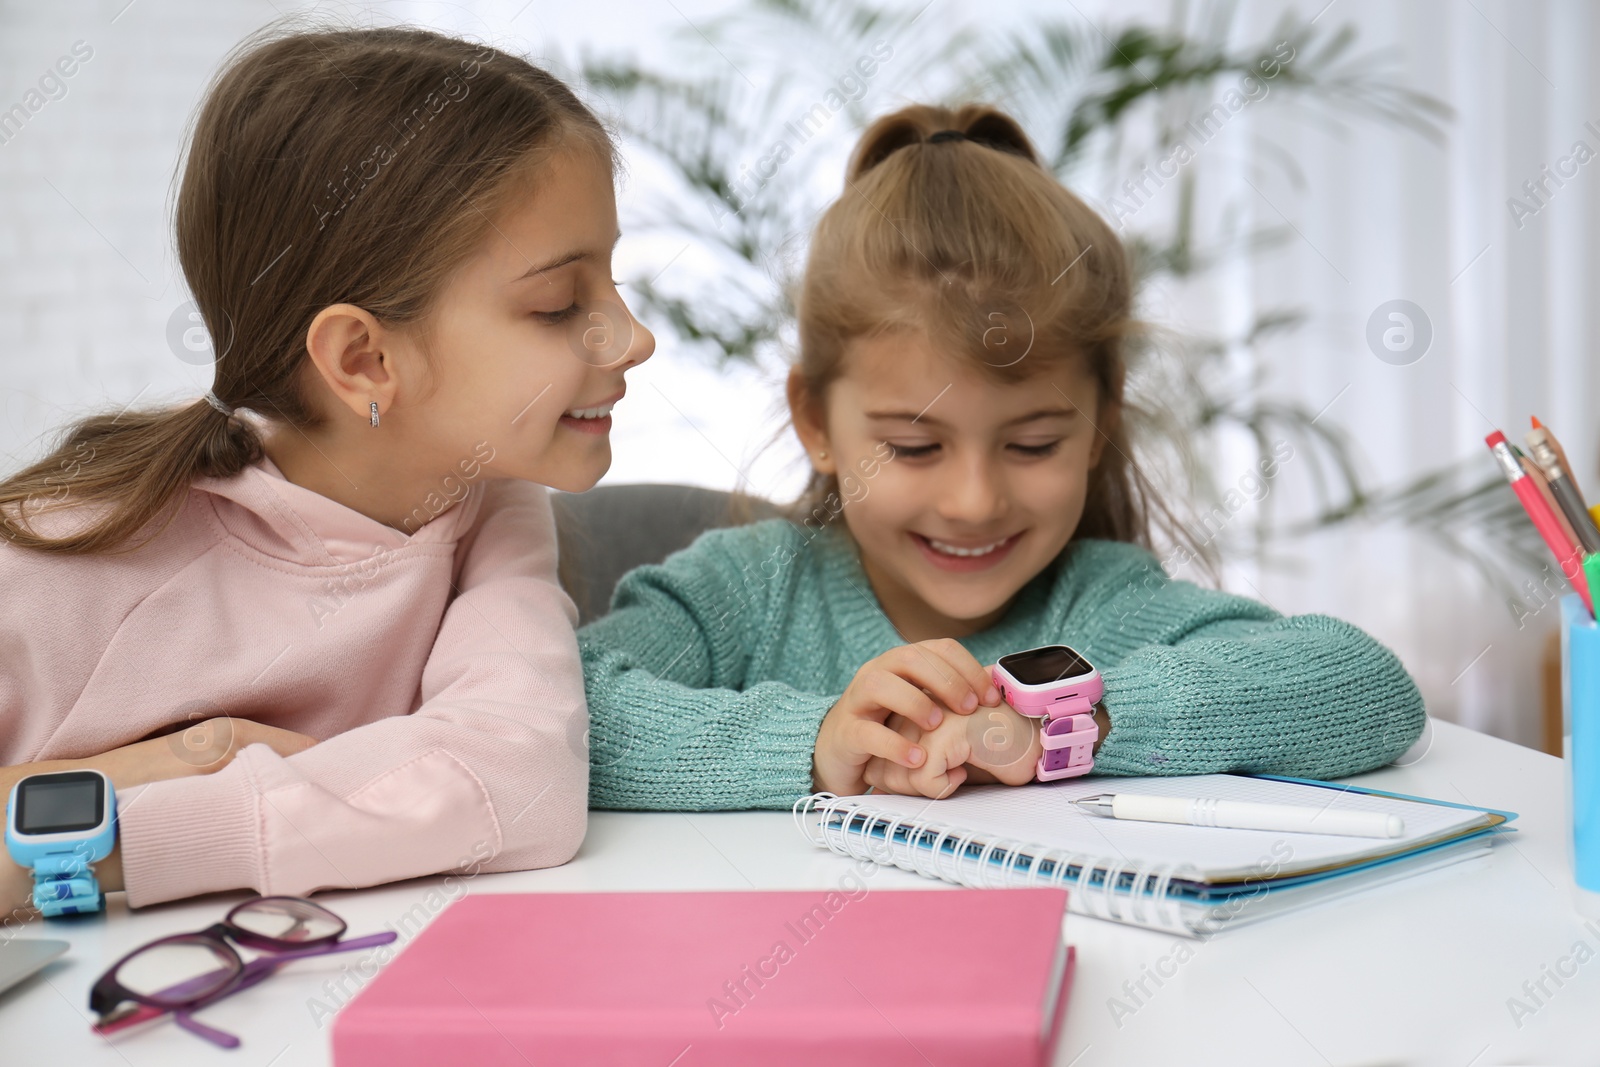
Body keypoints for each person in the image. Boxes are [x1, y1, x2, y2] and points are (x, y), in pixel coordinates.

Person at [579, 103, 1423, 809]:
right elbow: (552, 711)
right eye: (914, 445)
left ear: (1102, 420)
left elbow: (1361, 684)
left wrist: (1063, 724)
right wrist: (821, 741)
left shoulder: (1101, 602)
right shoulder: (750, 591)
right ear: (816, 421)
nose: (975, 500)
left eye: (1032, 443)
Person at [0, 23, 653, 919]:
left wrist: (124, 834)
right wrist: (177, 760)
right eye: (557, 304)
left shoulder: (491, 505)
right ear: (363, 359)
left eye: (614, 280)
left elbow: (522, 781)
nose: (633, 336)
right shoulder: (53, 566)